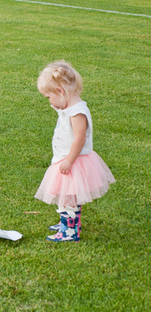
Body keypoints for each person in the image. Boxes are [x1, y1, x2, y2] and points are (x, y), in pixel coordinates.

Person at [34, 61, 115, 242]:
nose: (49, 102)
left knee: (67, 195)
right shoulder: (68, 106)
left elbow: (80, 138)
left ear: (60, 92)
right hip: (66, 158)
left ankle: (69, 230)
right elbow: (62, 112)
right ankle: (69, 222)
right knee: (67, 194)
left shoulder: (77, 112)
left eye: (48, 97)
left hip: (72, 161)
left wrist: (69, 161)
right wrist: (58, 106)